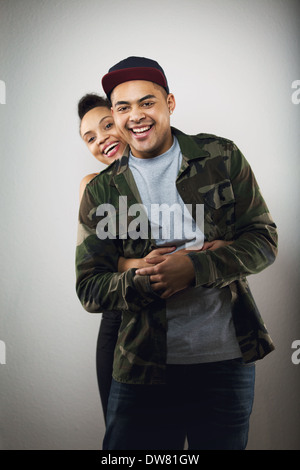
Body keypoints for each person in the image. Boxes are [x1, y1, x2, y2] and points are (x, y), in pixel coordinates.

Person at [76, 57, 278, 450]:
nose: (136, 116)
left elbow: (264, 240)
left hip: (225, 365)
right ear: (114, 116)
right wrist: (144, 279)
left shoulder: (220, 156)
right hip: (141, 369)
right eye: (123, 107)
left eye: (147, 102)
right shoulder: (102, 190)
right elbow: (90, 287)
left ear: (169, 102)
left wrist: (196, 267)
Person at [77, 92, 224, 423]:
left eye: (106, 126)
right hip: (123, 323)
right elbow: (94, 265)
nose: (101, 140)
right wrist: (138, 264)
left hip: (199, 322)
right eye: (90, 138)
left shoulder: (182, 167)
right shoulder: (95, 188)